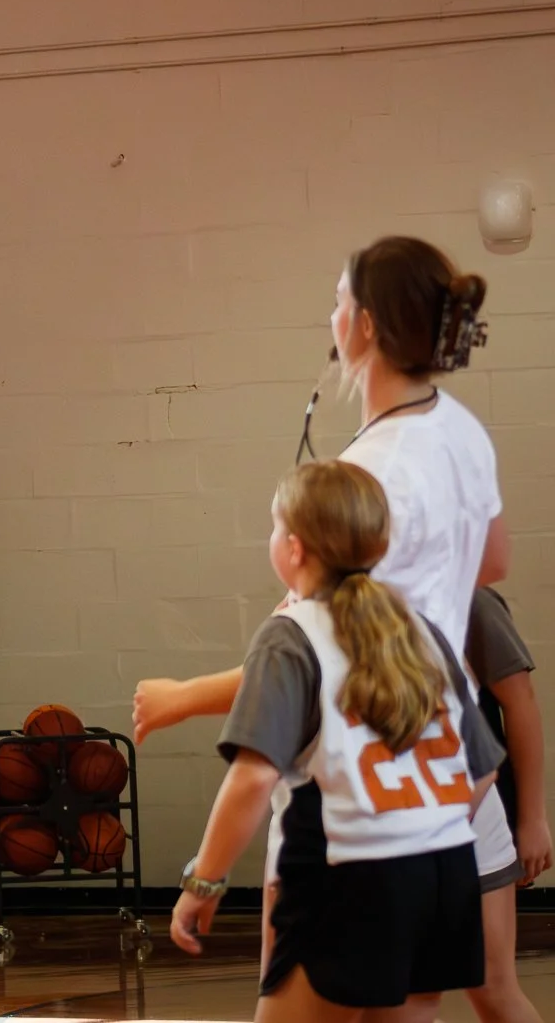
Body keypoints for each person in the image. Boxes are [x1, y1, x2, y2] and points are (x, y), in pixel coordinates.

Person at [133, 238, 505, 980]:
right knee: (480, 996)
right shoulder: (463, 427)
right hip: (440, 755)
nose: (330, 316)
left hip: (357, 790)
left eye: (338, 300)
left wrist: (180, 698)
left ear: (365, 325)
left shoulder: (371, 470)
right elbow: (493, 565)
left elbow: (309, 660)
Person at [170, 460, 498, 1023]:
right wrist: (415, 830)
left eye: (274, 526)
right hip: (444, 874)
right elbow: (484, 769)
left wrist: (204, 879)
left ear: (294, 549)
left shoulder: (290, 634)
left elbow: (252, 777)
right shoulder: (421, 627)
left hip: (349, 877)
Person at [459, 586, 549, 1023]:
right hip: (385, 836)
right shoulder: (329, 596)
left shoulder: (470, 600)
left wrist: (531, 818)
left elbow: (520, 703)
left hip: (474, 823)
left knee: (493, 985)